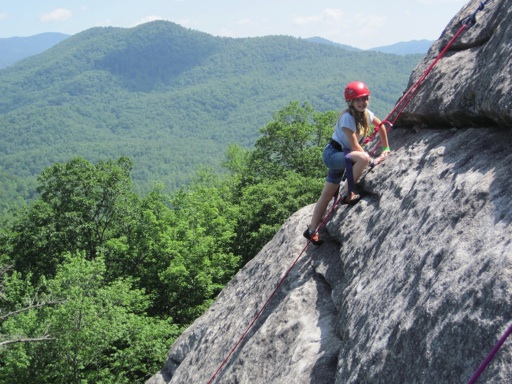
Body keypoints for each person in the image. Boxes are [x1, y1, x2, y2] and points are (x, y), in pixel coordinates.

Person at [303, 80, 391, 245]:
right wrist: (373, 161)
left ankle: (311, 230)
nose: (362, 102)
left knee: (327, 194)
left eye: (364, 98)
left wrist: (386, 147)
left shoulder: (366, 114)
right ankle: (346, 194)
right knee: (363, 158)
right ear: (350, 101)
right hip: (333, 155)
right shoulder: (347, 118)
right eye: (358, 99)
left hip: (344, 155)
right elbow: (356, 147)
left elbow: (381, 126)